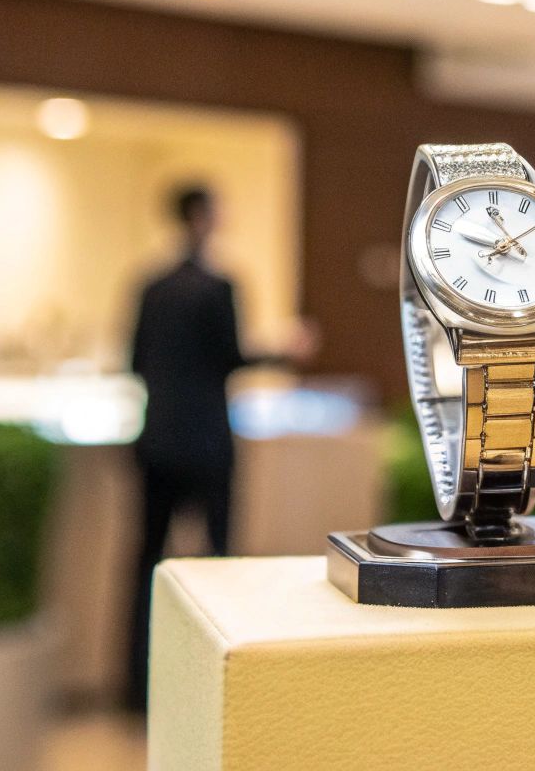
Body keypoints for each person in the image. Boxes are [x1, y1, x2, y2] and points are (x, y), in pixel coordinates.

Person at [123, 184, 314, 711]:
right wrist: (283, 351)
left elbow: (134, 361)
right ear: (204, 216)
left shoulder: (151, 286)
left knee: (146, 562)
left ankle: (136, 687)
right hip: (206, 440)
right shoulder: (218, 287)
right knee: (219, 564)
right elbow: (231, 357)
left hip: (157, 438)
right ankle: (213, 684)